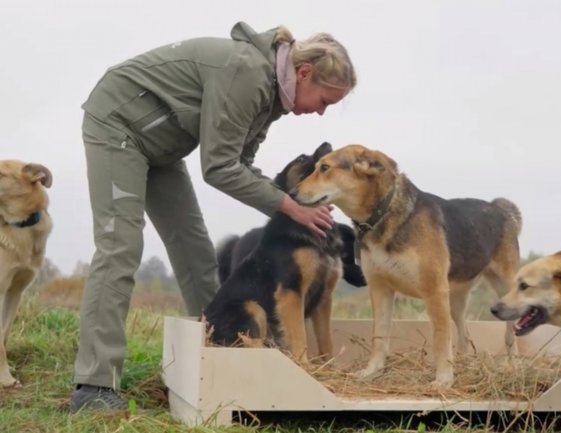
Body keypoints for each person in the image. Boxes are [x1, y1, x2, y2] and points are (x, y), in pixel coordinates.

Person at [70, 21, 356, 412]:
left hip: (162, 147)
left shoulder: (272, 96)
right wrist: (292, 209)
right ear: (304, 74)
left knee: (195, 251)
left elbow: (243, 165)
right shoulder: (248, 74)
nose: (322, 112)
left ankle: (220, 361)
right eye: (325, 100)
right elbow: (219, 167)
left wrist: (295, 206)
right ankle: (95, 385)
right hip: (118, 125)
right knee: (120, 246)